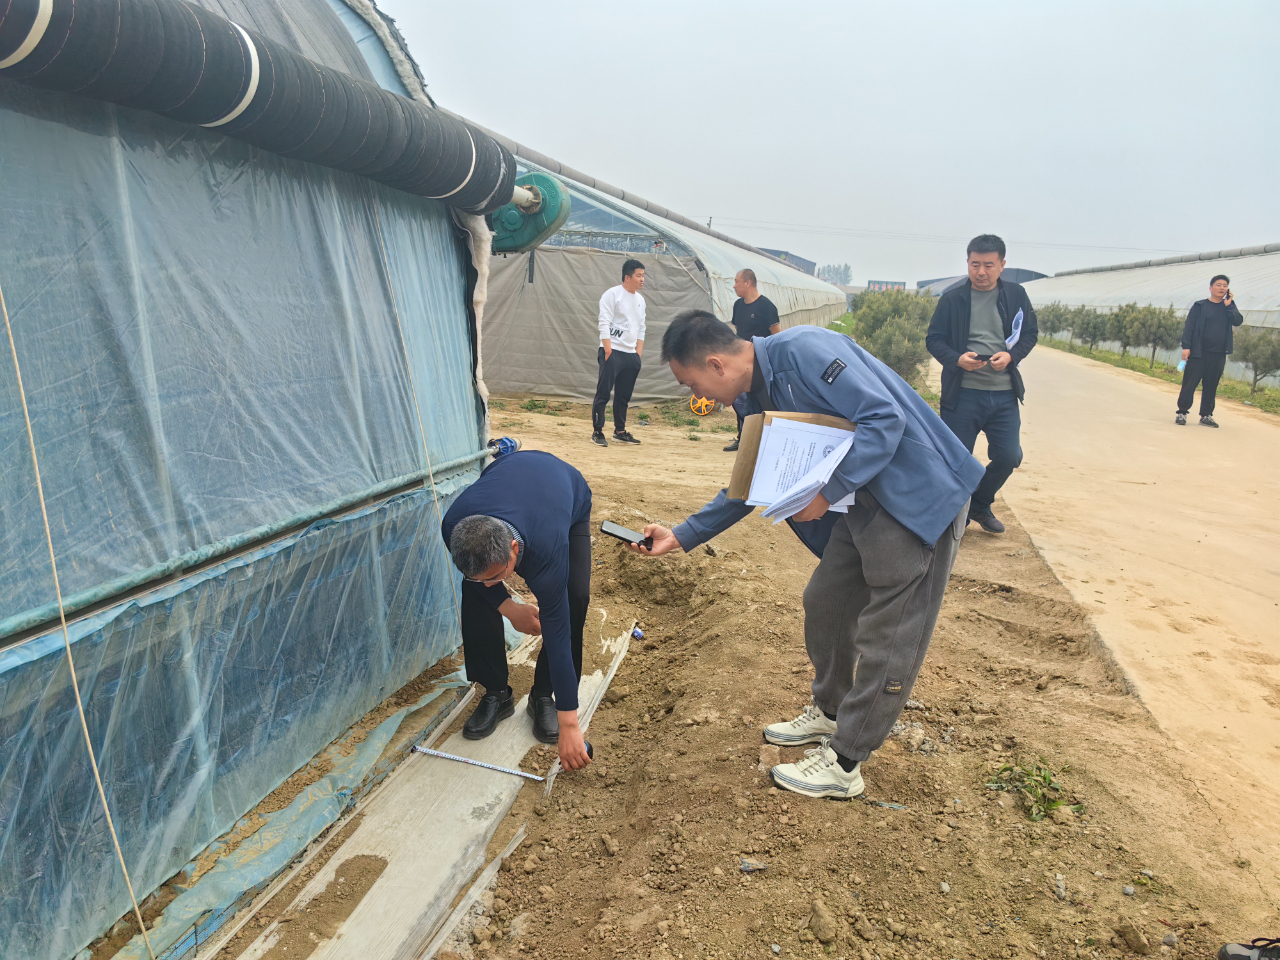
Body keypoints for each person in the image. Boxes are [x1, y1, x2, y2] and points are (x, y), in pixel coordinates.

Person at [630, 311, 983, 800]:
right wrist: (684, 534)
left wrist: (828, 490)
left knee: (891, 633)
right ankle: (831, 709)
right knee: (827, 600)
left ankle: (845, 762)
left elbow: (885, 418)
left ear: (716, 365)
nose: (700, 400)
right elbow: (753, 476)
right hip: (862, 502)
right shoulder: (756, 395)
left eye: (694, 385)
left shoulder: (805, 352)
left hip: (918, 496)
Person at [440, 450, 593, 770]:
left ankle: (544, 695)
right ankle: (496, 692)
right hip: (510, 480)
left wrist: (569, 724)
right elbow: (480, 579)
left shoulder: (546, 548)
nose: (490, 582)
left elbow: (557, 627)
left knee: (574, 597)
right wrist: (509, 608)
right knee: (475, 590)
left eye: (497, 575)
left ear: (513, 550)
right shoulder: (454, 526)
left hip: (564, 493)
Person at [926, 234, 1039, 535]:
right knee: (956, 459)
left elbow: (1029, 334)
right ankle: (956, 515)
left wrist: (1012, 356)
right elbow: (934, 339)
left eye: (989, 265)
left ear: (1002, 265)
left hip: (1003, 394)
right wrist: (956, 359)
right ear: (967, 263)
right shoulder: (953, 298)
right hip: (962, 394)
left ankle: (980, 503)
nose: (981, 272)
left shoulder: (1016, 295)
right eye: (975, 264)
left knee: (1008, 456)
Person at [724, 268, 781, 452]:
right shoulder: (738, 306)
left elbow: (776, 336)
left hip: (760, 363)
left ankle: (764, 439)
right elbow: (738, 333)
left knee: (760, 401)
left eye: (737, 281)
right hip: (741, 362)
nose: (734, 285)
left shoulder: (767, 307)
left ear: (747, 283)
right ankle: (743, 438)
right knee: (740, 400)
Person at [1176, 274, 1243, 427]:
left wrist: (1230, 305)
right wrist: (1186, 347)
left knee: (1211, 385)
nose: (1222, 288)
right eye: (1219, 285)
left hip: (1218, 354)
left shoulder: (1228, 306)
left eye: (1225, 286)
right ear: (1211, 288)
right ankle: (1182, 412)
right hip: (1198, 353)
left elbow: (1237, 321)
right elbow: (1189, 327)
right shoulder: (1200, 306)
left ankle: (1206, 415)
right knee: (1190, 383)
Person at [593, 259, 646, 447]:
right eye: (639, 275)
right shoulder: (612, 295)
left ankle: (620, 431)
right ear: (627, 277)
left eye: (643, 275)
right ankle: (598, 431)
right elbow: (604, 321)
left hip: (630, 354)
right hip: (612, 351)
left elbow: (642, 327)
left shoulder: (640, 300)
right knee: (604, 393)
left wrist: (637, 353)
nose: (642, 279)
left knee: (623, 396)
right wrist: (607, 348)